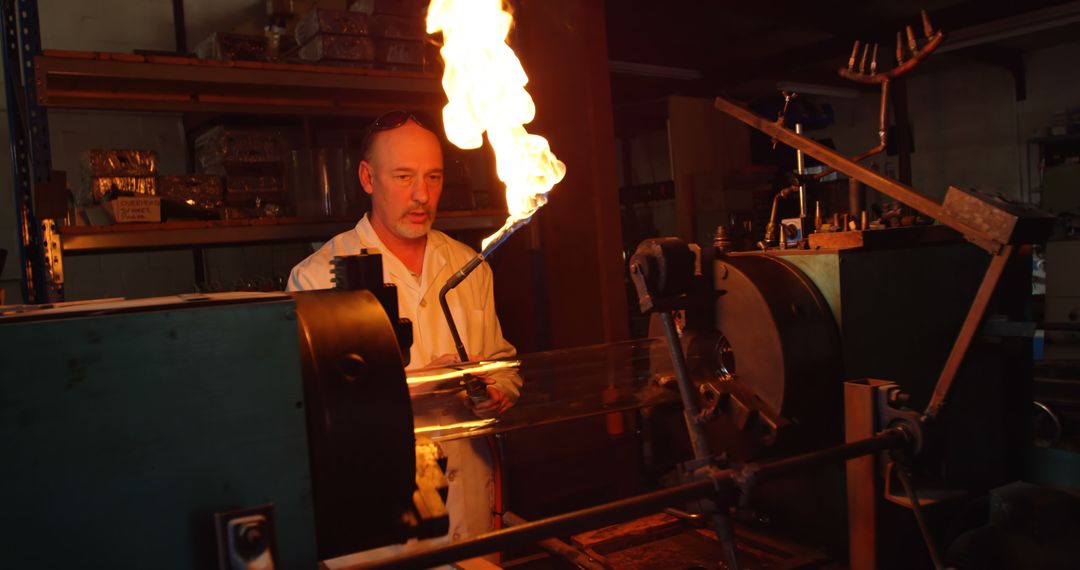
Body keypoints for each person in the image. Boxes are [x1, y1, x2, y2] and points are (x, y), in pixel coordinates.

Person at [286, 110, 519, 549]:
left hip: (469, 503)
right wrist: (417, 387)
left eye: (433, 178)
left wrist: (497, 389)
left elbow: (503, 363)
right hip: (379, 509)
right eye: (403, 177)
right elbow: (308, 416)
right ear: (368, 178)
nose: (421, 196)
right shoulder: (315, 278)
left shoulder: (469, 266)